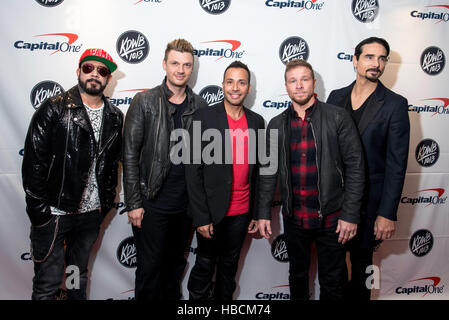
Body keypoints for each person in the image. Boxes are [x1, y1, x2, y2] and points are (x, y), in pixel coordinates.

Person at [257, 59, 365, 300]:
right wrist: (264, 212)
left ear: (314, 83)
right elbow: (267, 172)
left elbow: (356, 167)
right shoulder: (276, 124)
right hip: (295, 218)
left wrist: (350, 215)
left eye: (304, 79)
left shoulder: (337, 117)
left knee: (333, 280)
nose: (299, 86)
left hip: (333, 218)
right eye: (293, 81)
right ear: (286, 86)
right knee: (297, 276)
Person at [22, 48, 123, 300]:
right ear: (78, 71)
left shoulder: (114, 116)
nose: (94, 75)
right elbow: (34, 163)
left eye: (102, 71)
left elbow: (112, 164)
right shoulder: (54, 109)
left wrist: (105, 204)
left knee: (76, 279)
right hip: (55, 214)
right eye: (88, 68)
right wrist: (40, 214)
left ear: (108, 79)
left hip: (89, 216)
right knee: (47, 283)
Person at [122, 39, 208, 300]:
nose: (180, 70)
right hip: (151, 202)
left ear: (192, 68)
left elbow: (205, 159)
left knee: (174, 269)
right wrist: (134, 202)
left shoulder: (201, 106)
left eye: (186, 65)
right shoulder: (144, 101)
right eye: (175, 64)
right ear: (164, 65)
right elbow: (129, 156)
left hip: (185, 207)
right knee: (149, 271)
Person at [326, 37, 410, 300]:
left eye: (382, 58)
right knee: (333, 268)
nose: (377, 64)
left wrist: (387, 213)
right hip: (334, 203)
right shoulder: (335, 97)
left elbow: (397, 165)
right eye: (370, 57)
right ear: (355, 60)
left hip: (370, 205)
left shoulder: (395, 104)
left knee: (362, 268)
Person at [186, 61, 265, 300]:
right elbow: (192, 171)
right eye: (230, 82)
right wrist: (201, 216)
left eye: (241, 82)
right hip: (211, 213)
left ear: (248, 87)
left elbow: (261, 172)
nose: (235, 87)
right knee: (204, 266)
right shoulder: (204, 117)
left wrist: (255, 212)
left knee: (229, 269)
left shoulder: (257, 122)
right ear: (222, 85)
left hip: (241, 214)